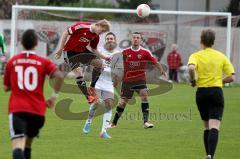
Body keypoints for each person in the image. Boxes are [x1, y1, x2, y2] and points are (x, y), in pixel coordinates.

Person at [3, 29, 64, 159]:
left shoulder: (12, 61)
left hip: (18, 109)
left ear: (21, 43)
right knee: (27, 145)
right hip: (38, 112)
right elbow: (59, 76)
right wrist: (53, 97)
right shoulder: (43, 62)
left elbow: (5, 88)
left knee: (18, 144)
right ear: (36, 43)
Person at [188, 29, 235, 159]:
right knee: (215, 126)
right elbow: (231, 77)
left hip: (201, 92)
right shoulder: (221, 56)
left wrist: (193, 80)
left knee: (206, 126)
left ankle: (207, 154)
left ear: (201, 41)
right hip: (216, 92)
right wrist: (220, 81)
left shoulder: (196, 55)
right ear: (213, 42)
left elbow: (191, 68)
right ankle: (210, 155)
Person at [110, 32, 166, 129]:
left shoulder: (145, 52)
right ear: (132, 39)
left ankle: (146, 122)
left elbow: (155, 62)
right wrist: (116, 78)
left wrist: (161, 70)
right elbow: (117, 62)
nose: (136, 39)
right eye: (134, 37)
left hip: (140, 80)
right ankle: (114, 123)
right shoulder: (125, 52)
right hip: (127, 81)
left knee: (144, 95)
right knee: (123, 102)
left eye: (138, 38)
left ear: (140, 40)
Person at [55, 19, 111, 104]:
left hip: (82, 52)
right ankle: (89, 97)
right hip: (70, 53)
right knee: (79, 74)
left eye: (103, 32)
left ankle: (92, 87)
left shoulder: (96, 36)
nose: (101, 33)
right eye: (102, 31)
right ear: (98, 25)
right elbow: (66, 32)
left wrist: (105, 57)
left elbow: (94, 49)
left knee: (101, 65)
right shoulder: (81, 26)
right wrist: (60, 49)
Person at [82, 32, 119, 139]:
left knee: (108, 104)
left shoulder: (118, 54)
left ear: (115, 41)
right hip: (97, 81)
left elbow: (119, 69)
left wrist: (116, 79)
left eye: (111, 38)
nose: (110, 40)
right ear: (105, 40)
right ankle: (88, 121)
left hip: (108, 83)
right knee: (97, 103)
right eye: (108, 38)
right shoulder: (100, 51)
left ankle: (103, 131)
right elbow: (92, 64)